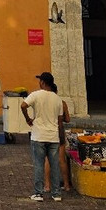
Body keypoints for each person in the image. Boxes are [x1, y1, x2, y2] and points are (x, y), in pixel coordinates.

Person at [20, 71, 65, 201]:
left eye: (40, 81)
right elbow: (60, 120)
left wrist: (28, 119)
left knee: (39, 164)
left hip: (39, 135)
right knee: (54, 165)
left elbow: (23, 105)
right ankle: (56, 193)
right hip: (53, 136)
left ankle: (38, 193)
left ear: (43, 82)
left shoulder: (36, 95)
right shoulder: (58, 99)